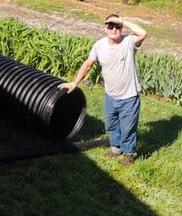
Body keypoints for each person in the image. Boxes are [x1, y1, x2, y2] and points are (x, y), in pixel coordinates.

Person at [58, 14, 147, 166]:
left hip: (129, 96)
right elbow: (88, 64)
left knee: (128, 127)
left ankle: (129, 153)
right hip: (110, 95)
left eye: (117, 26)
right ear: (105, 28)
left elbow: (143, 33)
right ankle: (116, 148)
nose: (114, 29)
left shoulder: (128, 42)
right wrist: (74, 83)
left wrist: (123, 21)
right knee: (111, 124)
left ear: (121, 28)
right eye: (110, 26)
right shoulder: (99, 45)